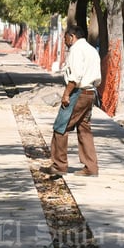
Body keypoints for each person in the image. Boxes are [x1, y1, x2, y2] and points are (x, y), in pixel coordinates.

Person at [41, 25, 101, 177]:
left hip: (78, 93)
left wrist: (66, 94)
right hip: (90, 93)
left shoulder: (76, 50)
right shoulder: (92, 50)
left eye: (65, 38)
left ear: (72, 36)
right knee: (84, 129)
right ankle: (91, 167)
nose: (64, 41)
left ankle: (59, 165)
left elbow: (75, 77)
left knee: (60, 127)